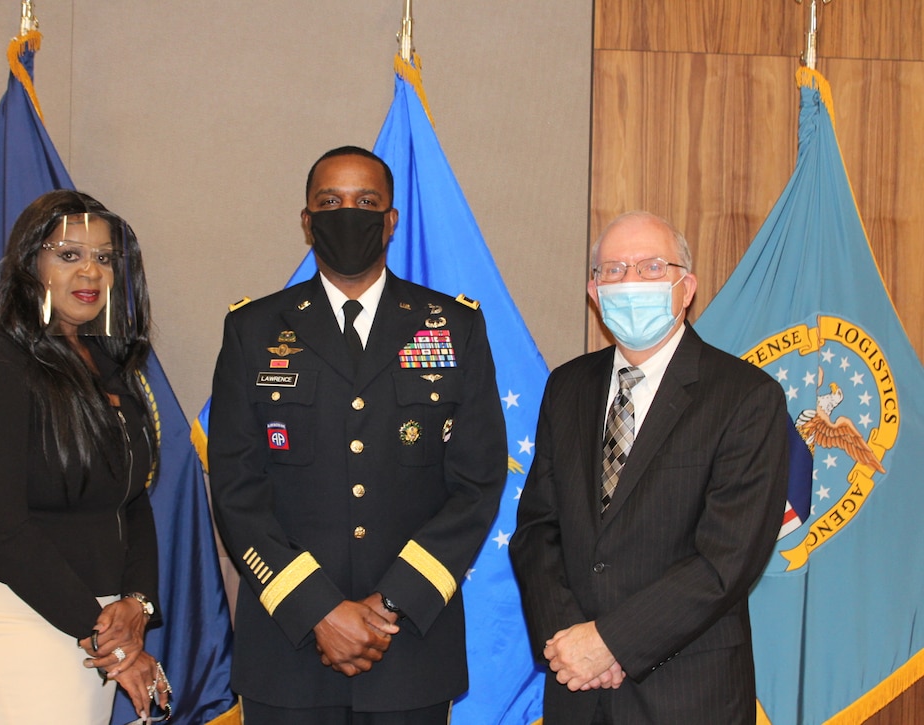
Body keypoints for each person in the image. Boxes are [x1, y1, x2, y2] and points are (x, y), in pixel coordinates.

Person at [207, 146, 508, 724]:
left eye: (367, 202)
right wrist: (317, 609)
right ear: (307, 220)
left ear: (391, 220)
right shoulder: (253, 329)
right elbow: (236, 489)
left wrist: (389, 604)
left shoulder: (455, 327)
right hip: (288, 644)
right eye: (330, 202)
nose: (349, 213)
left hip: (410, 642)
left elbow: (477, 483)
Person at [509, 211, 789, 724]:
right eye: (612, 270)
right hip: (577, 689)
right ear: (594, 292)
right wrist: (571, 643)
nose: (630, 281)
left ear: (688, 287)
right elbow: (537, 529)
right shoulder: (567, 387)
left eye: (651, 267)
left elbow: (726, 561)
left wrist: (611, 643)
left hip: (686, 694)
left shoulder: (746, 397)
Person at [0, 190, 172, 723]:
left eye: (104, 257)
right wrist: (103, 633)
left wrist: (137, 604)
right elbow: (1, 525)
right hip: (13, 606)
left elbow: (132, 498)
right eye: (68, 255)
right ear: (29, 262)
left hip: (96, 613)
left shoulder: (104, 356)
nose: (90, 271)